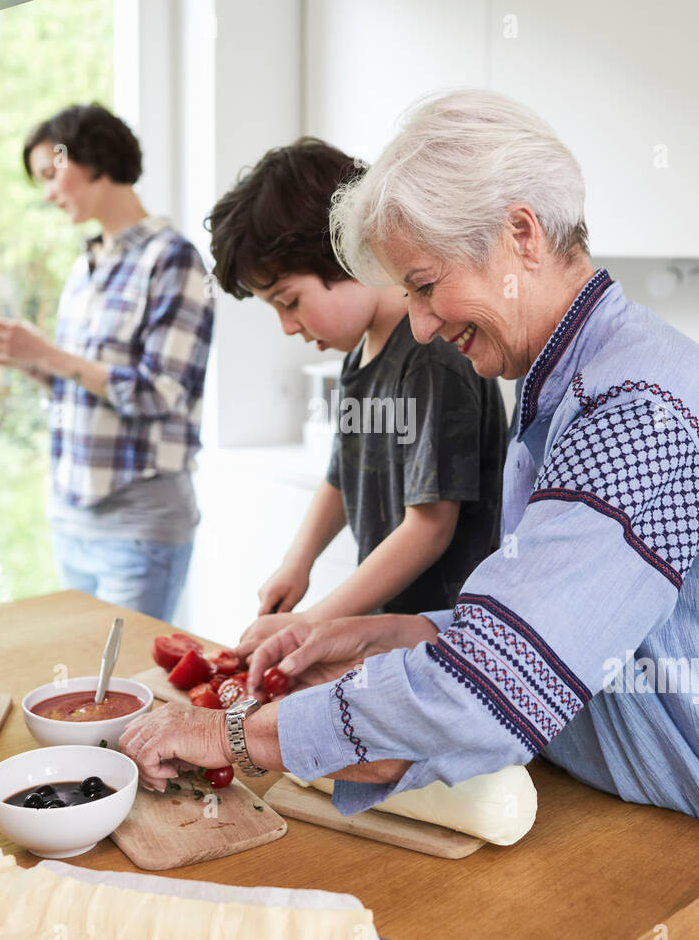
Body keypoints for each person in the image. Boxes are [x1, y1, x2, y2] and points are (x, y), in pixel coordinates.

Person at [120, 90, 699, 940]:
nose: (424, 327)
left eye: (427, 286)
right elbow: (556, 633)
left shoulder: (636, 412)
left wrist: (230, 736)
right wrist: (379, 633)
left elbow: (489, 696)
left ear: (520, 233)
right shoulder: (571, 383)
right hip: (662, 831)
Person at [206, 137, 507, 646]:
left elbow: (429, 527)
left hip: (448, 636)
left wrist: (313, 623)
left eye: (290, 301)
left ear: (346, 255)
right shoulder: (358, 358)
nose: (287, 326)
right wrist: (295, 564)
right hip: (389, 628)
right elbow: (341, 477)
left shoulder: (432, 354)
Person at [0, 102, 213, 621]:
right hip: (71, 517)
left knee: (128, 690)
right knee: (82, 691)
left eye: (52, 174)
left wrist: (47, 353)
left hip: (138, 525)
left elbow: (161, 393)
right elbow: (82, 388)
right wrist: (28, 361)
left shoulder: (173, 259)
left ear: (95, 160)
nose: (49, 193)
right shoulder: (85, 265)